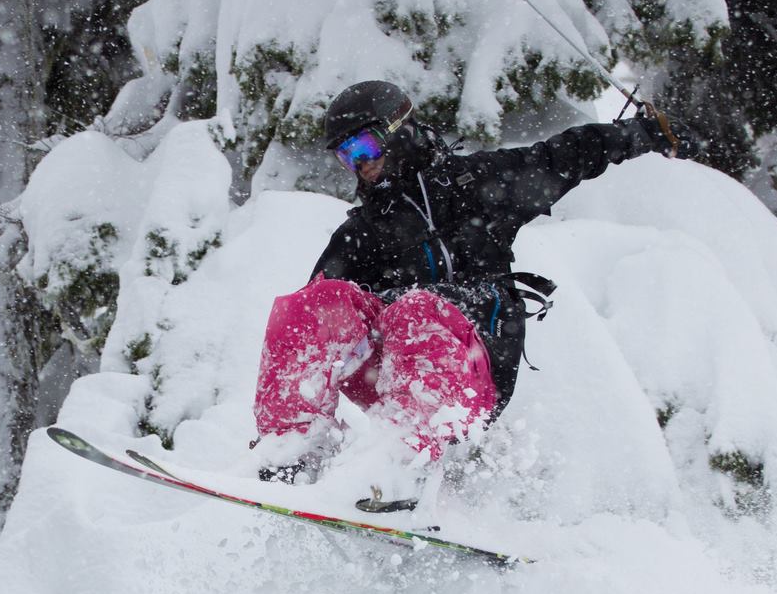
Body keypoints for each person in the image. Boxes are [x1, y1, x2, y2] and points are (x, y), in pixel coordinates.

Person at [253, 79, 676, 482]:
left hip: (478, 361)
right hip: (393, 376)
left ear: (399, 131)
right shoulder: (364, 231)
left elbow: (562, 156)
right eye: (346, 156)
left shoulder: (476, 185)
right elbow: (317, 326)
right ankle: (292, 451)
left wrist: (643, 132)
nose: (360, 163)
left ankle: (404, 470)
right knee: (312, 303)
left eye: (363, 145)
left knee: (418, 308)